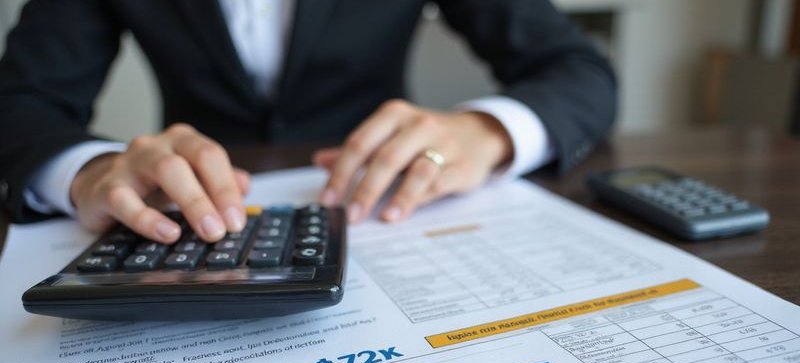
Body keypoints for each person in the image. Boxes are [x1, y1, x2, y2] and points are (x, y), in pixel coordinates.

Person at [0, 0, 616, 244]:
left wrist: (488, 132)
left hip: (381, 211)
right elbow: (20, 100)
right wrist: (91, 171)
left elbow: (576, 67)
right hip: (195, 216)